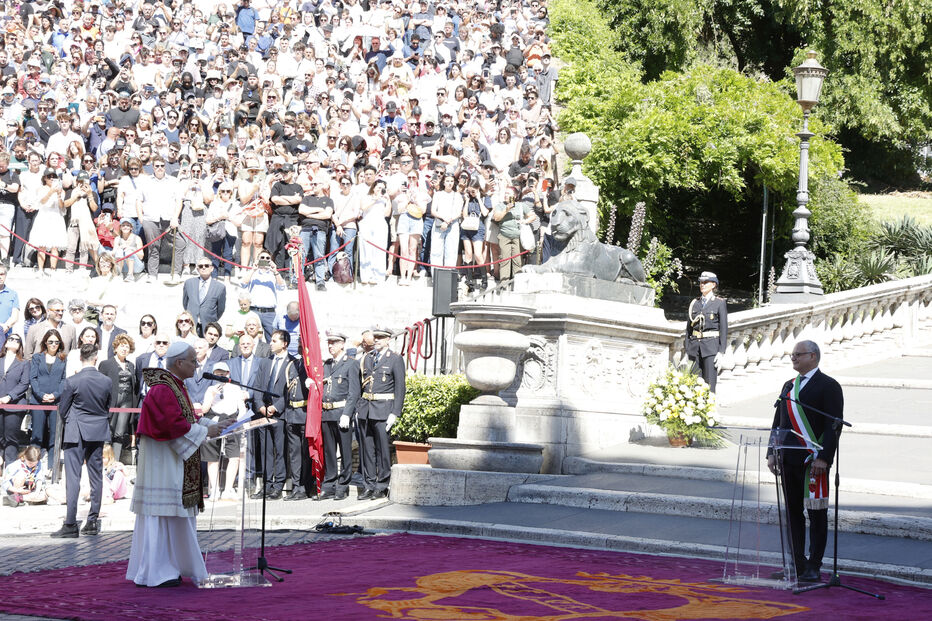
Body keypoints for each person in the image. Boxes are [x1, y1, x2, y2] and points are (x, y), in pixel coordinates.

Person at [126, 342, 225, 588]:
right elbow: (172, 426)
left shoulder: (174, 386)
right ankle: (157, 572)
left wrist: (209, 425)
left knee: (171, 516)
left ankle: (169, 568)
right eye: (193, 360)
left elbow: (183, 419)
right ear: (179, 363)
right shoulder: (163, 389)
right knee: (162, 516)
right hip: (163, 462)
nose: (197, 364)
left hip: (170, 461)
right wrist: (205, 429)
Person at [767, 340, 843, 584]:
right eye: (792, 355)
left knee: (816, 514)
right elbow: (778, 420)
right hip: (788, 459)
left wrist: (824, 457)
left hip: (813, 461)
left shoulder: (829, 386)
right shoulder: (789, 385)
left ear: (813, 356)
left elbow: (834, 426)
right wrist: (771, 451)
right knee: (793, 514)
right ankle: (796, 563)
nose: (793, 359)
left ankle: (813, 565)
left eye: (798, 355)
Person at [50, 343, 113, 538]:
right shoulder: (106, 381)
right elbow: (108, 406)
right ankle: (92, 521)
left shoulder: (73, 381)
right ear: (96, 358)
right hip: (97, 430)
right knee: (96, 477)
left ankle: (70, 523)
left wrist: (73, 419)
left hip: (75, 431)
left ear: (80, 358)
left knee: (73, 478)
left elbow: (63, 408)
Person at [357, 326, 405, 500]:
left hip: (383, 409)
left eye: (380, 338)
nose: (376, 340)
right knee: (367, 450)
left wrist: (395, 413)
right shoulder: (368, 359)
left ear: (388, 340)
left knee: (383, 450)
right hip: (366, 409)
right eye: (375, 337)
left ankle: (382, 484)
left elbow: (400, 388)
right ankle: (369, 484)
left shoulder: (395, 359)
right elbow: (360, 385)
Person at [199, 361, 247, 501]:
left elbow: (241, 407)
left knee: (234, 455)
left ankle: (228, 489)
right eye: (217, 375)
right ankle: (214, 489)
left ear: (228, 374)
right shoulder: (210, 389)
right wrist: (211, 395)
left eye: (223, 374)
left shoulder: (236, 388)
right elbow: (204, 410)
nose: (220, 377)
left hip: (232, 420)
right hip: (214, 419)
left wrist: (240, 421)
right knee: (212, 457)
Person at [321, 331, 360, 501]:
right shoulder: (327, 364)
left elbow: (354, 392)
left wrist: (347, 413)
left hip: (341, 413)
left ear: (343, 344)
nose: (331, 345)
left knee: (345, 452)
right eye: (329, 342)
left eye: (334, 342)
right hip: (327, 413)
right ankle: (329, 484)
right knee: (329, 452)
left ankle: (342, 485)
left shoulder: (351, 364)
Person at [685, 271, 728, 392]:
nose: (702, 285)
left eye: (705, 282)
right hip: (694, 348)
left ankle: (709, 410)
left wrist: (721, 351)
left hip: (710, 348)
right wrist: (687, 349)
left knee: (709, 384)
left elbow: (724, 329)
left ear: (714, 285)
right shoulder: (695, 303)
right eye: (701, 282)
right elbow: (689, 329)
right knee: (693, 383)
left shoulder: (719, 303)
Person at [98, 334, 138, 464]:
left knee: (120, 433)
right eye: (122, 345)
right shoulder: (106, 364)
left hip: (126, 402)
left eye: (127, 346)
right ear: (115, 348)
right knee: (107, 431)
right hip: (111, 401)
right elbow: (100, 385)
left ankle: (114, 462)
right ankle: (104, 460)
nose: (124, 349)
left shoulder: (131, 365)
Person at [0, 334, 30, 468]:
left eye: (17, 340)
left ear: (20, 346)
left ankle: (10, 468)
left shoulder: (24, 363)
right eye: (10, 339)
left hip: (14, 404)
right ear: (5, 343)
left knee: (11, 437)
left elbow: (24, 384)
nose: (13, 341)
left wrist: (9, 396)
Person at [182, 259, 227, 337]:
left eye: (206, 266)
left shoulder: (220, 287)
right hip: (191, 324)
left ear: (212, 268)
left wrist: (211, 318)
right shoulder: (189, 283)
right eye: (201, 266)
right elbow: (185, 303)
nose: (203, 268)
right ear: (197, 268)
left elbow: (221, 309)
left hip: (208, 325)